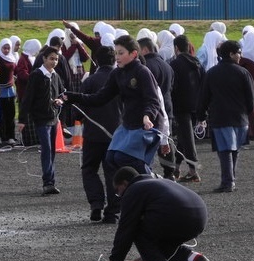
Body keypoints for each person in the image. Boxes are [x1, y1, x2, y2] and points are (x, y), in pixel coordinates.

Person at [65, 35, 166, 210]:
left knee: (122, 157)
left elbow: (153, 100)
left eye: (121, 53)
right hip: (126, 125)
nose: (117, 57)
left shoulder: (142, 72)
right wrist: (73, 97)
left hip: (143, 125)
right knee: (111, 158)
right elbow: (100, 98)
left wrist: (147, 116)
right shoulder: (117, 73)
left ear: (134, 54)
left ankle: (153, 184)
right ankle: (132, 194)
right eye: (116, 53)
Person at [97, 167, 210, 261]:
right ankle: (196, 260)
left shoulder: (133, 190)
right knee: (164, 239)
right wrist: (151, 256)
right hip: (200, 217)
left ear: (125, 183)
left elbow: (125, 229)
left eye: (117, 190)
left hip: (178, 216)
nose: (119, 195)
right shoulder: (157, 181)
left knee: (136, 226)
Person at [197, 40, 254, 193]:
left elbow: (204, 97)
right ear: (231, 54)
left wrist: (201, 115)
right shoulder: (243, 72)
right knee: (235, 150)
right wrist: (247, 112)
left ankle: (227, 181)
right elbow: (251, 99)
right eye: (239, 53)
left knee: (224, 151)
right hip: (240, 118)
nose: (240, 56)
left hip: (220, 117)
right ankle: (231, 179)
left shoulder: (211, 73)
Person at [78, 46, 122, 222]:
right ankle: (113, 211)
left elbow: (79, 107)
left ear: (96, 60)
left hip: (93, 133)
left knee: (89, 169)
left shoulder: (90, 81)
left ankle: (96, 203)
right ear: (114, 60)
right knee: (112, 172)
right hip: (117, 134)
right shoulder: (121, 80)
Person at [17, 46, 66, 195]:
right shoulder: (36, 75)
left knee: (52, 150)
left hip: (53, 118)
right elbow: (27, 98)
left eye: (56, 59)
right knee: (46, 149)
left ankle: (50, 180)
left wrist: (59, 101)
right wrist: (22, 119)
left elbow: (61, 93)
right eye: (51, 58)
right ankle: (48, 182)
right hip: (41, 119)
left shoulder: (55, 76)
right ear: (44, 59)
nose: (54, 61)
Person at [138, 37, 175, 180]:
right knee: (166, 141)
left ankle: (147, 172)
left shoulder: (146, 66)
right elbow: (172, 86)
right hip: (167, 106)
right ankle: (170, 172)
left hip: (151, 110)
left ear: (145, 49)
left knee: (149, 144)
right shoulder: (167, 65)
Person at [169, 35, 205, 183]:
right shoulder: (197, 62)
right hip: (196, 104)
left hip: (180, 105)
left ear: (176, 48)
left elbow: (172, 86)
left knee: (187, 139)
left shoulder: (175, 64)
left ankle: (193, 170)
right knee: (184, 138)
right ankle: (176, 167)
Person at [15, 39, 42, 147]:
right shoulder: (23, 59)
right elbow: (21, 74)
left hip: (30, 92)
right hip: (24, 92)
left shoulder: (30, 57)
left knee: (32, 116)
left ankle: (34, 138)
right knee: (27, 117)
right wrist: (34, 77)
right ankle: (29, 139)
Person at [0, 38, 18, 145]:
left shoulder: (12, 57)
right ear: (0, 47)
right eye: (4, 48)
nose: (6, 50)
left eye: (8, 48)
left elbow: (15, 71)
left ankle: (10, 136)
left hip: (10, 90)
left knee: (10, 114)